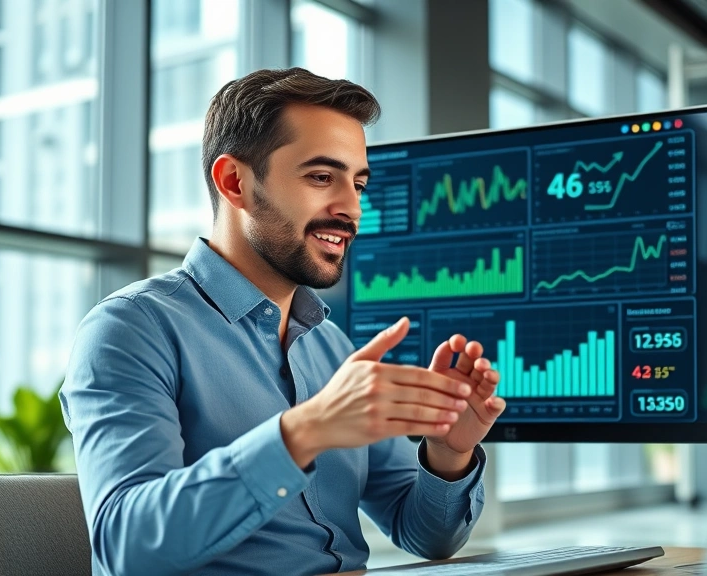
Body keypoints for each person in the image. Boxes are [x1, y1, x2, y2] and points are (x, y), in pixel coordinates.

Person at [60, 67, 506, 576]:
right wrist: (306, 430)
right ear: (235, 183)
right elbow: (127, 548)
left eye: (357, 183)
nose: (352, 208)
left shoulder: (331, 347)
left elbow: (426, 536)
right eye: (321, 177)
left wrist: (449, 452)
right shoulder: (129, 331)